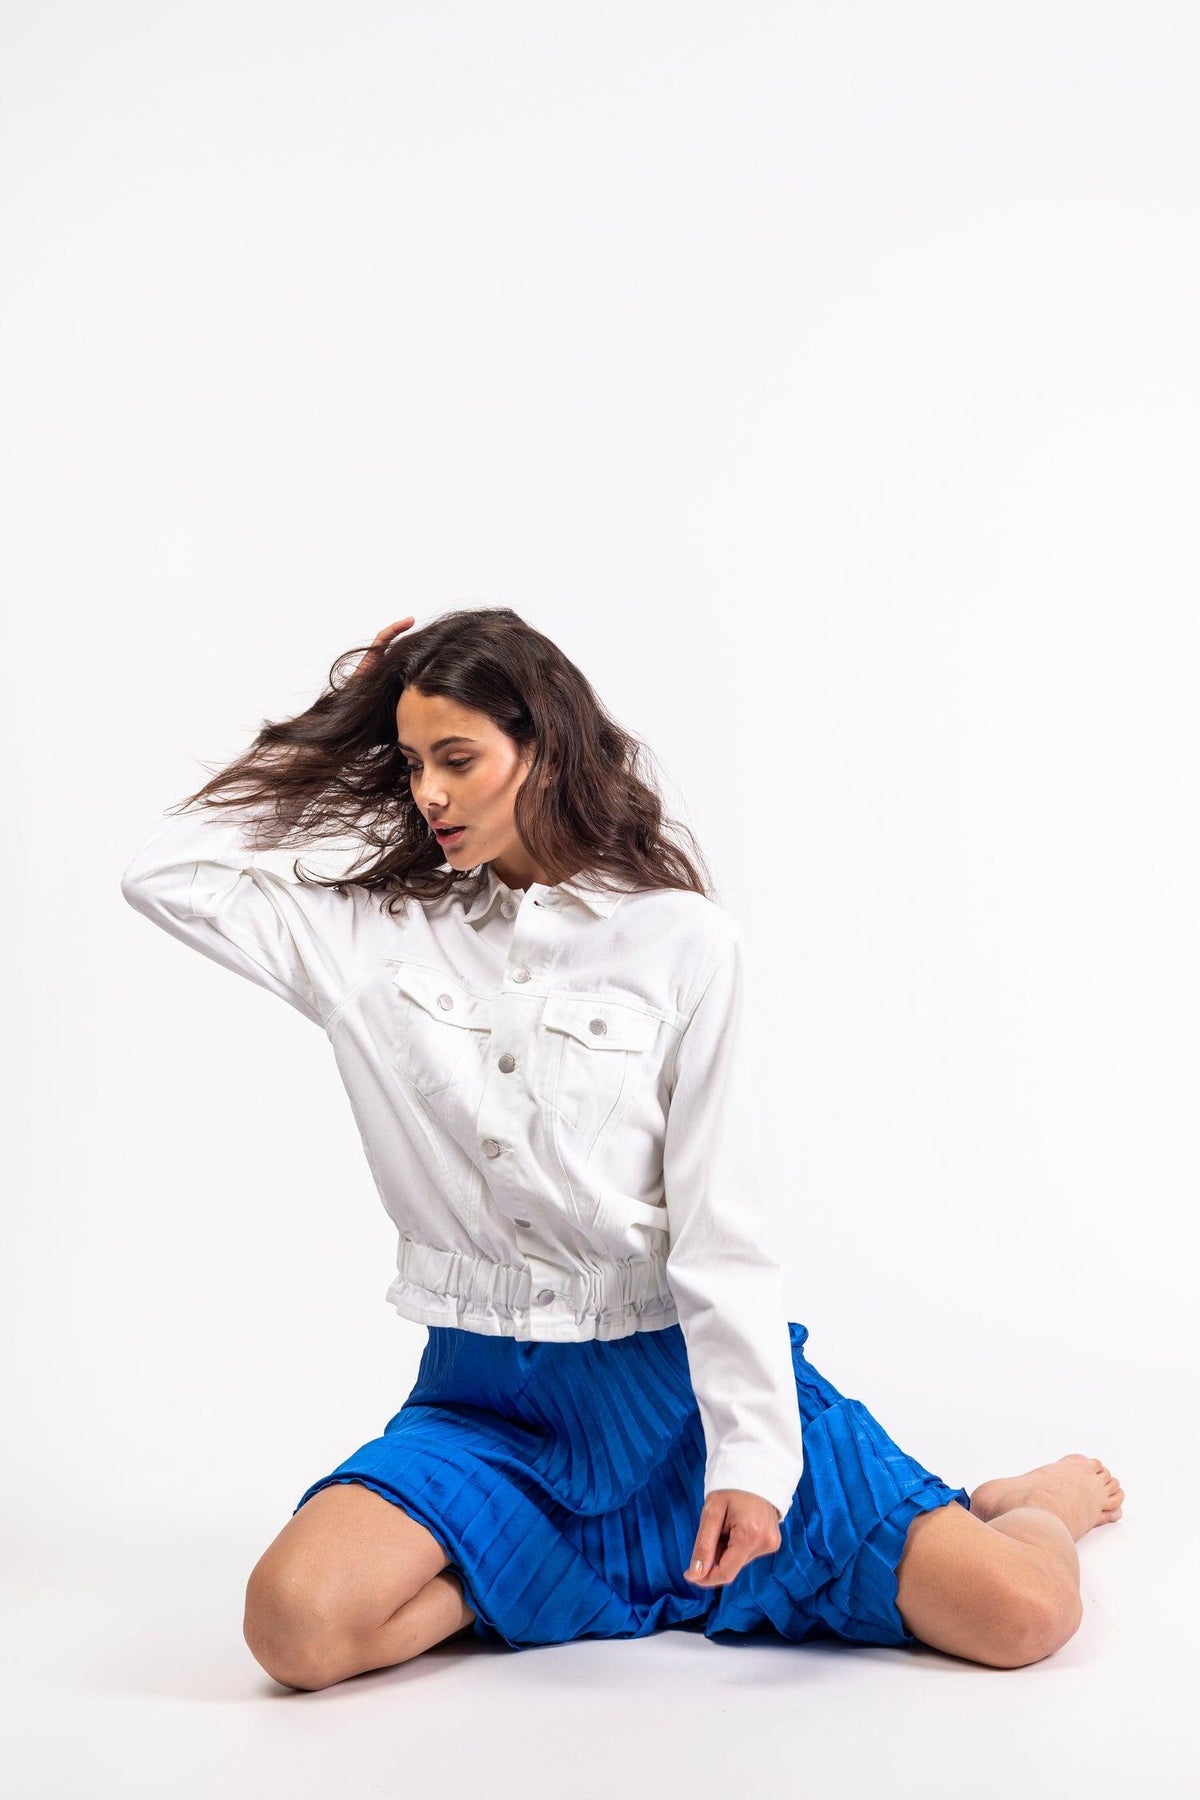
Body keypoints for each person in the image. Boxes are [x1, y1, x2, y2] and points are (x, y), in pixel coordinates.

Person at [120, 607, 1123, 1691]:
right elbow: (162, 875)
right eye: (410, 764)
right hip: (491, 1410)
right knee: (296, 1629)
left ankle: (1038, 1502)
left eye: (457, 759)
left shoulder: (682, 941)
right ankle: (538, 1567)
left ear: (544, 750)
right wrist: (331, 728)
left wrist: (751, 1460)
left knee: (1025, 1616)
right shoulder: (371, 937)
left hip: (680, 1392)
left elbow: (719, 1228)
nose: (429, 795)